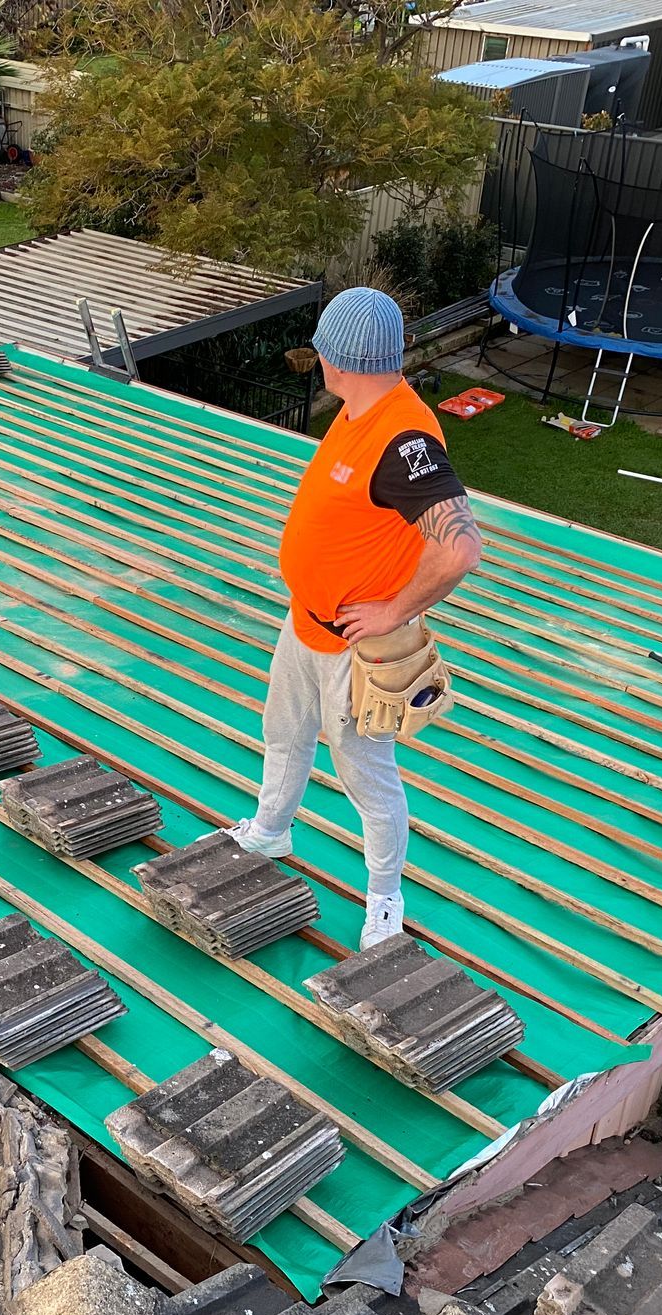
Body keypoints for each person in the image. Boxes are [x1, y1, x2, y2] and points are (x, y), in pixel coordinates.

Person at [219, 288, 483, 949]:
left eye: (322, 355)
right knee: (284, 734)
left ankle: (385, 900)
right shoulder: (359, 408)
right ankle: (270, 832)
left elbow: (460, 547)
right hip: (304, 626)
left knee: (366, 777)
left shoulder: (402, 438)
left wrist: (395, 609)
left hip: (350, 651)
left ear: (340, 360)